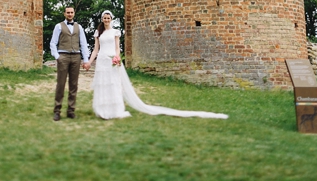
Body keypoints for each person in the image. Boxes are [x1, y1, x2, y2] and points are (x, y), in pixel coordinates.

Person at [87, 10, 227, 120]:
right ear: (102, 19)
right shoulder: (99, 32)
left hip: (112, 60)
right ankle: (102, 110)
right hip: (102, 61)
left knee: (113, 84)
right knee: (103, 84)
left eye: (108, 18)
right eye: (104, 18)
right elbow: (95, 49)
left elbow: (118, 48)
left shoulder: (115, 32)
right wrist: (89, 61)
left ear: (111, 19)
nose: (106, 20)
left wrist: (117, 58)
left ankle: (114, 110)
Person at [49, 6, 90, 121]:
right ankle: (57, 110)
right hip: (63, 56)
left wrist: (85, 59)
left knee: (74, 85)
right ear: (64, 14)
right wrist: (58, 57)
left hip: (76, 57)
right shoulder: (59, 26)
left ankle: (71, 110)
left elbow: (83, 43)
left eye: (71, 12)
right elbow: (53, 43)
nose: (70, 14)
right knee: (60, 84)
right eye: (68, 12)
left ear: (74, 13)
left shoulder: (79, 27)